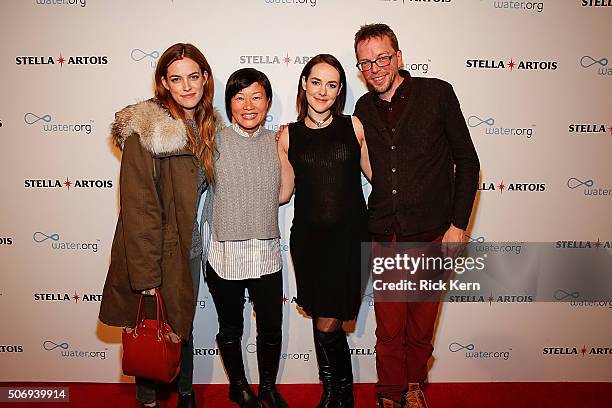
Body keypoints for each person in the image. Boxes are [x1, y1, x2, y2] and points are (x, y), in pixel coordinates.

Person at [352, 24, 480, 408]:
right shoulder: (362, 109)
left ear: (399, 57)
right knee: (389, 328)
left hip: (431, 234)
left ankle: (413, 387)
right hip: (386, 233)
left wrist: (459, 226)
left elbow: (468, 163)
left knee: (421, 326)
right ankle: (390, 394)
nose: (375, 68)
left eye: (382, 58)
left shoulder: (437, 94)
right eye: (365, 63)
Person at [99, 43, 219, 408]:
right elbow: (139, 208)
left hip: (190, 248)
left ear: (205, 79)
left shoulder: (205, 127)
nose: (187, 86)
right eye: (176, 78)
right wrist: (146, 276)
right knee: (152, 331)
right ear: (164, 83)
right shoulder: (146, 131)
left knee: (180, 327)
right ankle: (148, 401)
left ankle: (185, 394)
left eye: (193, 77)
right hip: (156, 252)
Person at [277, 54, 371, 408]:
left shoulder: (355, 127)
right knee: (322, 316)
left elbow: (378, 176)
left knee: (328, 320)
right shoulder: (288, 136)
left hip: (349, 242)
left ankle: (335, 393)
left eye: (332, 85)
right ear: (304, 83)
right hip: (310, 243)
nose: (322, 91)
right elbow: (284, 193)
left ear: (340, 91)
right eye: (316, 82)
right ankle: (339, 393)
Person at [205, 68, 288, 408]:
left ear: (268, 102)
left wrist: (284, 149)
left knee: (270, 328)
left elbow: (284, 195)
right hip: (225, 256)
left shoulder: (277, 140)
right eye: (239, 98)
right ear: (229, 104)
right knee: (230, 328)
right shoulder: (213, 141)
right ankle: (237, 386)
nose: (248, 105)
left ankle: (268, 387)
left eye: (257, 97)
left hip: (266, 253)